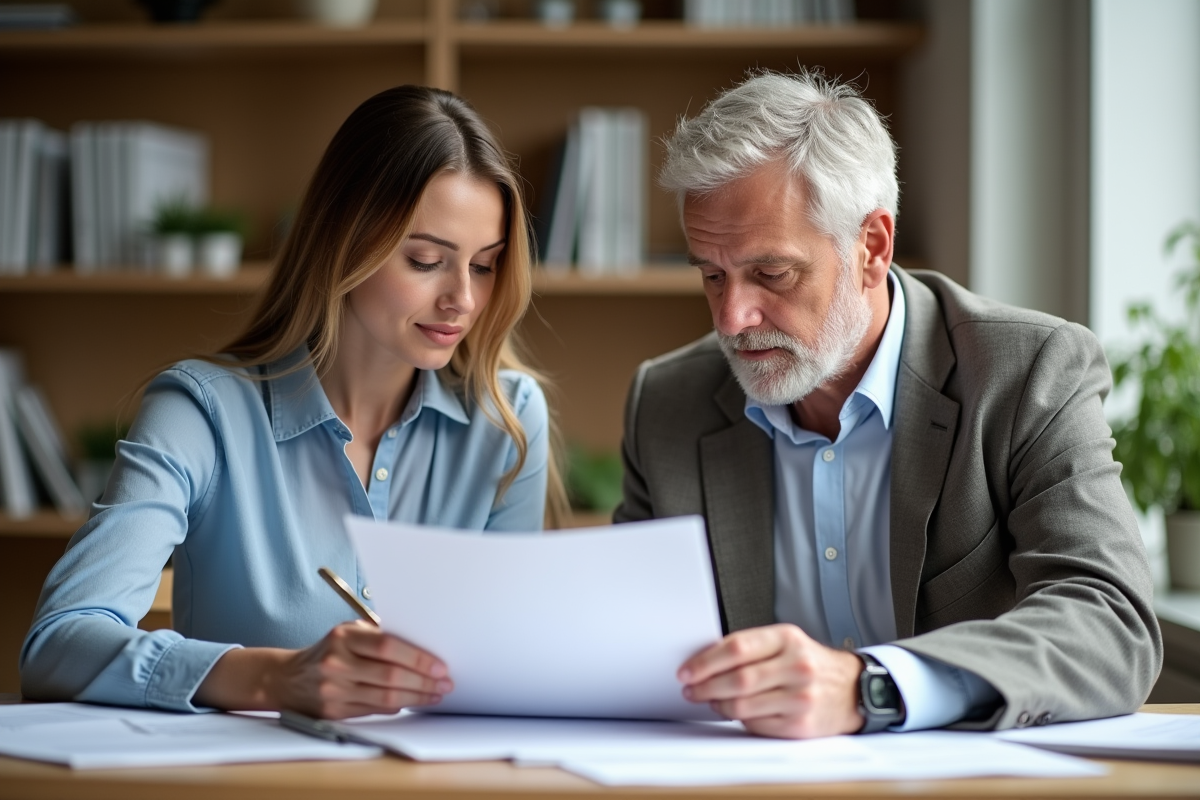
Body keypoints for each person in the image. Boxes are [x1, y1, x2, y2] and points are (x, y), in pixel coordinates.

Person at [616, 71, 1162, 739]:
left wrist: (872, 687)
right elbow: (624, 640)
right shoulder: (667, 403)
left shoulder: (1025, 373)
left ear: (871, 247)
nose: (732, 318)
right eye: (711, 274)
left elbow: (1111, 622)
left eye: (771, 274)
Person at [21, 86, 566, 719]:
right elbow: (57, 643)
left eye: (485, 266)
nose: (463, 301)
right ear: (344, 244)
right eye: (425, 261)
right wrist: (277, 678)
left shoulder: (507, 419)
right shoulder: (202, 413)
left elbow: (509, 663)